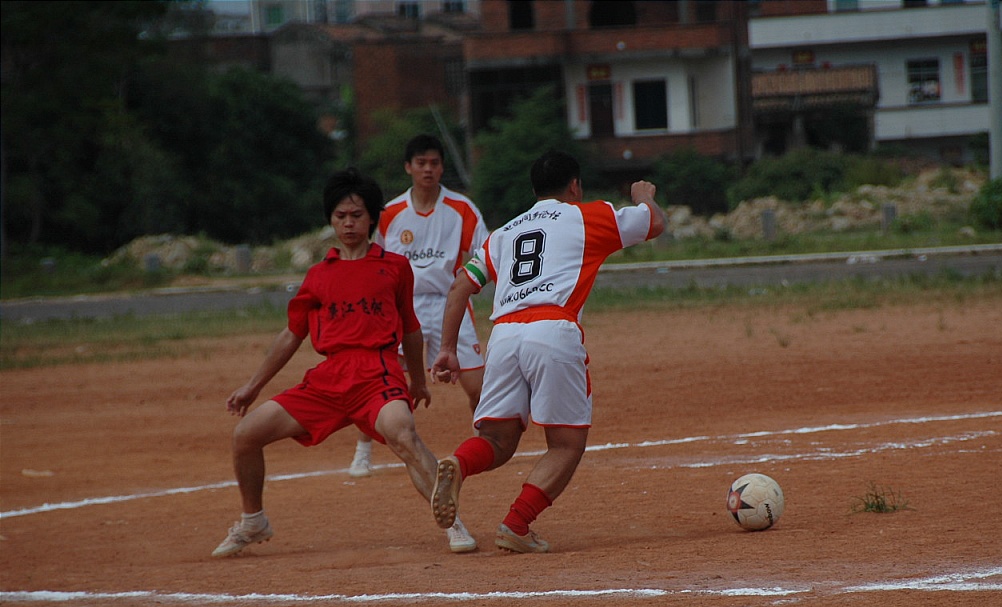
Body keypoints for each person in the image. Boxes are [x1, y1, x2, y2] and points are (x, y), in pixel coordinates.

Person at [213, 167, 477, 557]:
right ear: (331, 220)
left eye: (356, 215)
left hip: (378, 373)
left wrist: (417, 381)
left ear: (372, 219)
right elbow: (292, 334)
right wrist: (253, 386)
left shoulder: (394, 267)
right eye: (340, 216)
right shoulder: (319, 275)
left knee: (402, 432)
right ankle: (253, 521)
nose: (348, 223)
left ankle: (453, 523)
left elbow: (410, 328)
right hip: (329, 379)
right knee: (245, 435)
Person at [429, 150, 667, 554]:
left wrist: (448, 349)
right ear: (574, 186)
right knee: (566, 444)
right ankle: (516, 524)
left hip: (504, 335)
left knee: (497, 440)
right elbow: (655, 223)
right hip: (553, 330)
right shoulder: (586, 216)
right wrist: (643, 195)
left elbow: (460, 288)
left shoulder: (503, 234)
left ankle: (459, 463)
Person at [348, 134, 489, 479]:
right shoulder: (391, 213)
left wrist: (472, 283)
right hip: (402, 306)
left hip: (449, 303)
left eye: (434, 163)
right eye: (421, 163)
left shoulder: (462, 209)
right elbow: (374, 260)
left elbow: (486, 252)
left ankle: (485, 443)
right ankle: (363, 450)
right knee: (384, 382)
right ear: (408, 167)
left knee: (477, 386)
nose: (428, 169)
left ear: (442, 168)